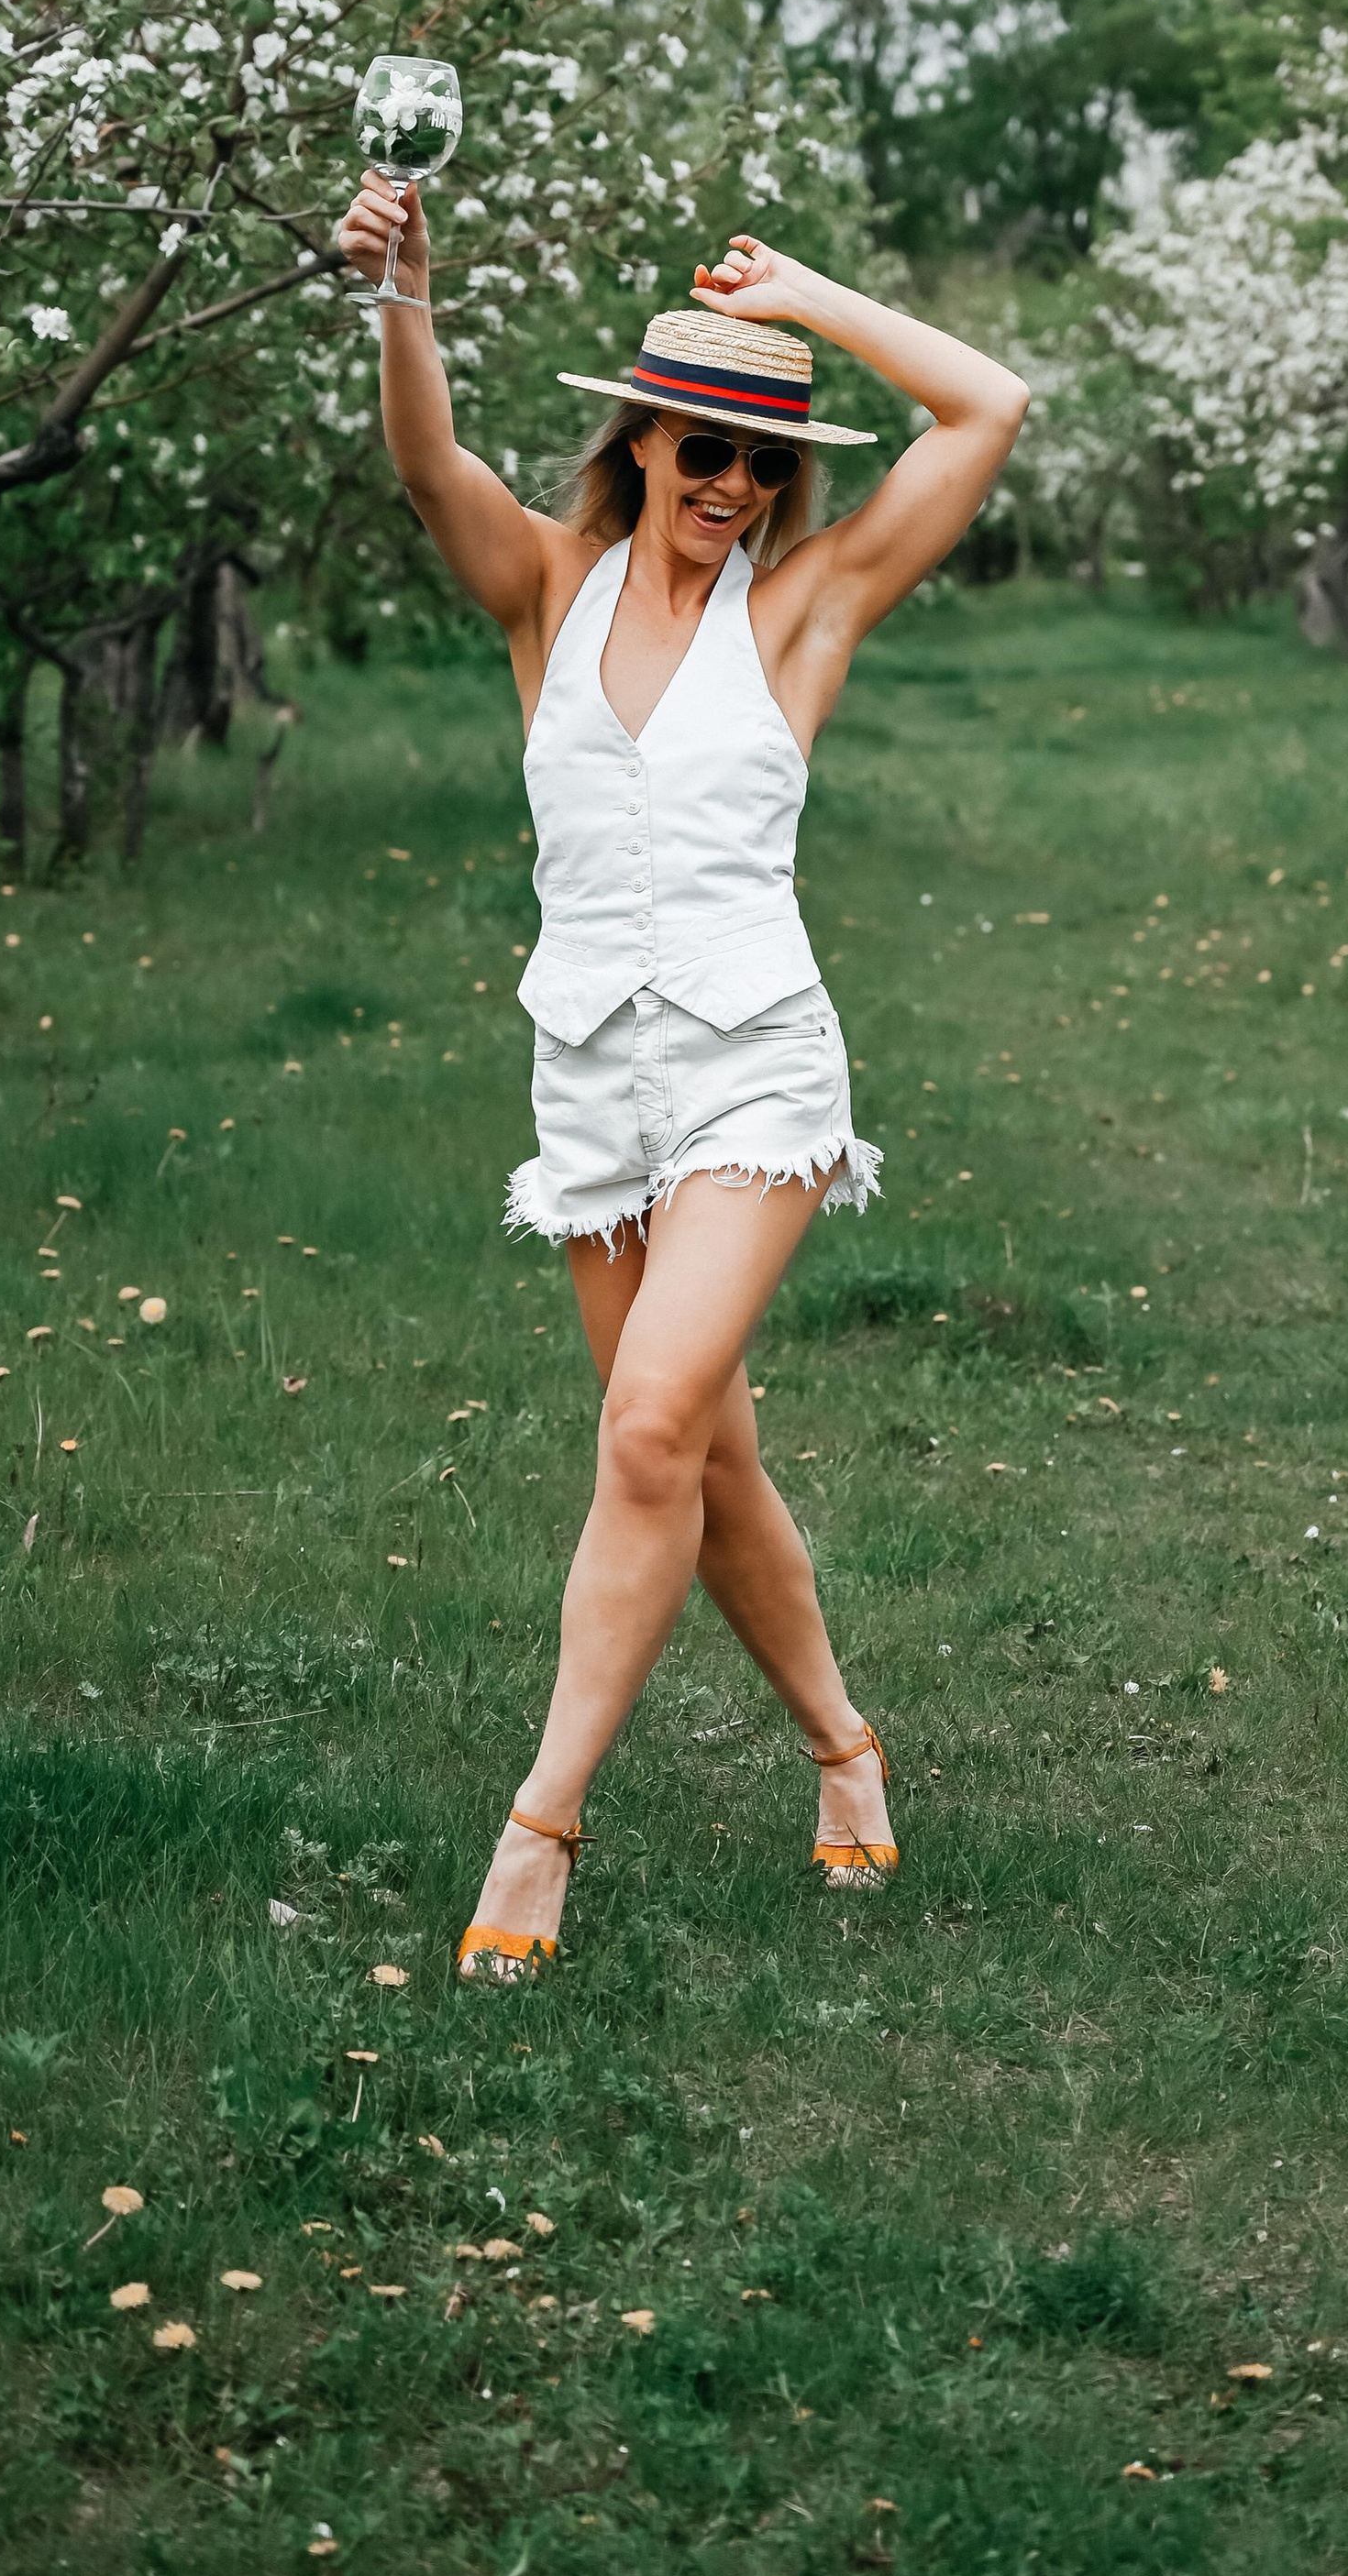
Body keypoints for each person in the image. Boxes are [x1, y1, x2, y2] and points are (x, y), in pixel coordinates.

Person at [339, 171, 1029, 1974]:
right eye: (701, 446)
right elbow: (430, 472)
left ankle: (536, 1830)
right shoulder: (542, 591)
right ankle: (844, 1749)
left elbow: (989, 407)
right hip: (592, 1093)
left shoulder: (800, 613)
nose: (729, 484)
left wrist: (804, 293)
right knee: (700, 1458)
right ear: (638, 442)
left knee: (642, 1429)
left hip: (755, 1078)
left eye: (761, 461)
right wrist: (400, 293)